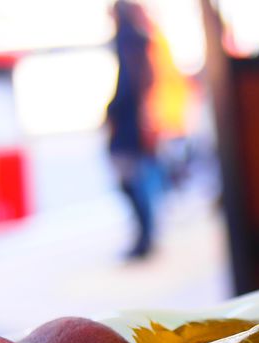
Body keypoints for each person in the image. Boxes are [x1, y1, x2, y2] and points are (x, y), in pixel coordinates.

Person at [106, 0, 161, 259]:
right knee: (139, 181)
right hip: (136, 123)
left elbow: (127, 86)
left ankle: (145, 238)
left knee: (131, 182)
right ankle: (146, 236)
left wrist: (112, 111)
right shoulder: (141, 40)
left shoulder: (127, 39)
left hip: (129, 125)